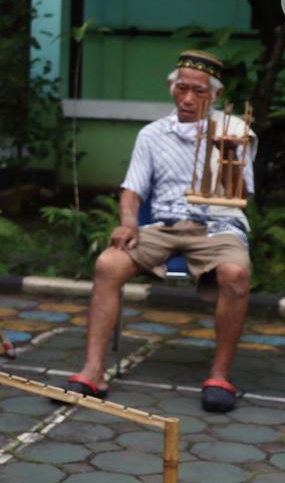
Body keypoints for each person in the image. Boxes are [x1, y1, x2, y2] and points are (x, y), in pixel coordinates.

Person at [73, 50, 255, 413]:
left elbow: (242, 192)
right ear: (172, 88)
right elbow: (132, 189)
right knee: (108, 264)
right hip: (164, 225)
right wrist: (128, 222)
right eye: (182, 88)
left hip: (218, 226)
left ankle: (219, 376)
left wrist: (229, 154)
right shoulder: (152, 135)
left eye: (199, 91)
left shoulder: (237, 131)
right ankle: (93, 371)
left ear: (215, 95)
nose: (188, 99)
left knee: (235, 275)